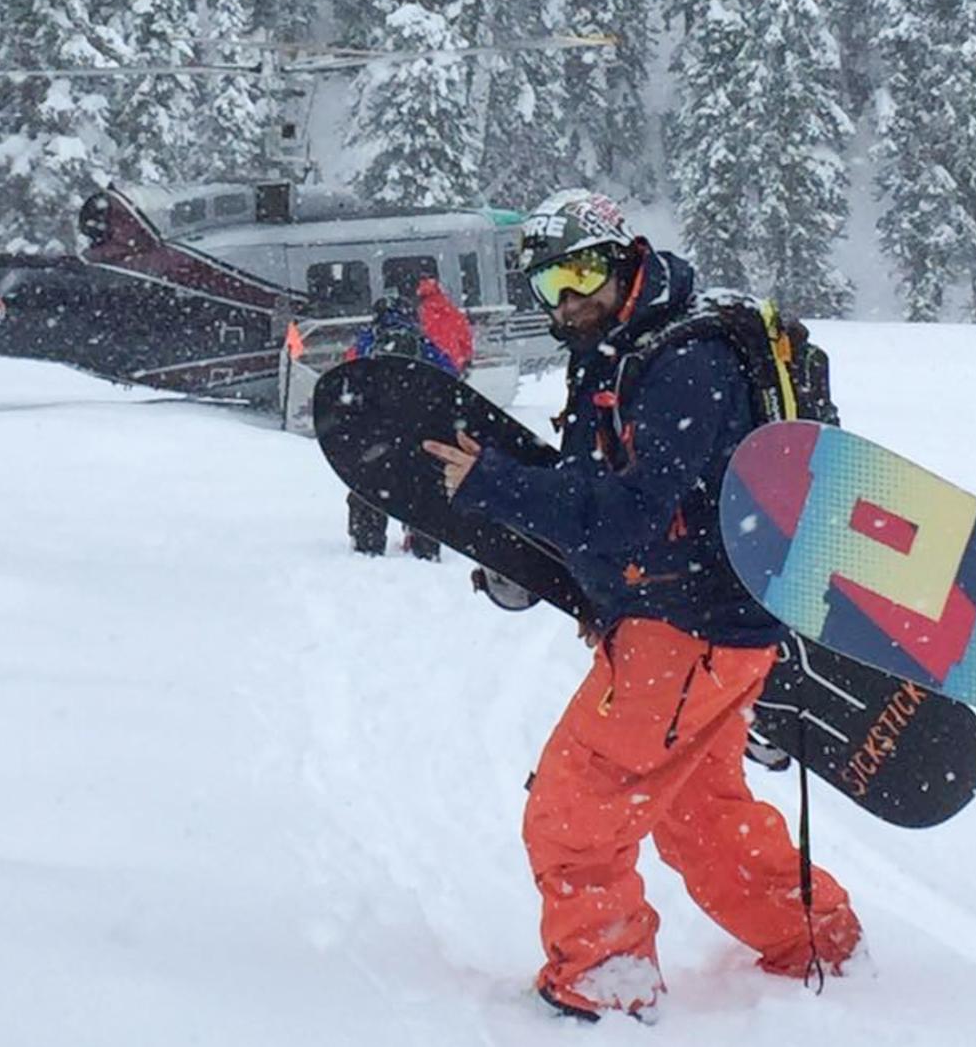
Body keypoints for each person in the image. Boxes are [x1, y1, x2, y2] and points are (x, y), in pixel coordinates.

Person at [424, 188, 860, 1025]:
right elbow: (610, 493)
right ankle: (819, 939)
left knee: (574, 811)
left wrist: (495, 488)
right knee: (702, 813)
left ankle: (603, 975)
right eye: (552, 284)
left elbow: (631, 511)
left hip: (688, 632)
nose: (572, 297)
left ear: (626, 256)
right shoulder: (621, 346)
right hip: (709, 625)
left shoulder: (681, 363)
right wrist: (581, 578)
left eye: (584, 271)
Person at [343, 288, 469, 560]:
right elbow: (450, 375)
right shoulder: (422, 342)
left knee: (370, 482)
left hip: (375, 432)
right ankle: (425, 545)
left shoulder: (368, 341)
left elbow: (346, 379)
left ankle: (367, 543)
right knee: (422, 486)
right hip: (418, 430)